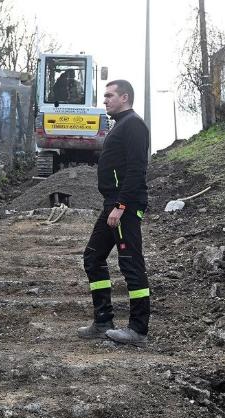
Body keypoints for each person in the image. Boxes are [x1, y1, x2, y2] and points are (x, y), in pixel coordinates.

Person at [77, 79, 151, 344]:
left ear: (125, 97)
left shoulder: (133, 125)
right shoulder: (120, 125)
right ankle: (102, 321)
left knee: (131, 264)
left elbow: (136, 170)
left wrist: (121, 206)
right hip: (113, 204)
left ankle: (138, 330)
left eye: (110, 95)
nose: (105, 100)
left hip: (124, 207)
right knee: (93, 258)